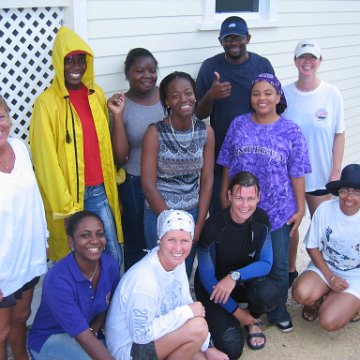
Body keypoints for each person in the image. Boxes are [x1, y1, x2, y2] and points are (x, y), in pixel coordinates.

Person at [218, 73, 311, 332]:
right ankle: (246, 308)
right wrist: (224, 196)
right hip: (241, 209)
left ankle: (278, 310)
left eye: (268, 93)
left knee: (278, 266)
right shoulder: (239, 124)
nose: (262, 98)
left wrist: (300, 208)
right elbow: (226, 162)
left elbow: (298, 171)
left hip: (277, 211)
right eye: (256, 93)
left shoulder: (291, 130)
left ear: (279, 97)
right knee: (243, 262)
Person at [29, 26, 123, 265]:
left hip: (99, 189)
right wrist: (64, 207)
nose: (76, 67)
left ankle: (110, 302)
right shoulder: (46, 104)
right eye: (69, 60)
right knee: (76, 261)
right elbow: (45, 160)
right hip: (69, 197)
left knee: (111, 254)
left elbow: (102, 146)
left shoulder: (96, 94)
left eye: (81, 60)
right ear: (59, 62)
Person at [106, 209, 229, 360]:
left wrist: (207, 347)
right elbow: (141, 336)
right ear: (160, 239)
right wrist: (185, 312)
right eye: (171, 240)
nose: (178, 248)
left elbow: (184, 300)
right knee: (198, 328)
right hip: (130, 350)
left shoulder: (177, 261)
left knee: (201, 356)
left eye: (185, 241)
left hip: (153, 338)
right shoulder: (144, 280)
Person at [195, 16, 275, 215]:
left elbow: (276, 105)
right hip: (222, 154)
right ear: (220, 41)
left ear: (248, 38)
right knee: (221, 209)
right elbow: (198, 113)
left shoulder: (262, 65)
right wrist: (211, 96)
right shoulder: (210, 67)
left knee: (254, 208)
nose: (233, 42)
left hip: (257, 153)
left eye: (238, 37)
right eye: (228, 38)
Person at [195, 171, 279, 358]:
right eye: (239, 198)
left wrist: (234, 276)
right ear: (229, 196)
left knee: (269, 295)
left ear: (259, 197)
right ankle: (244, 319)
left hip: (239, 282)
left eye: (251, 198)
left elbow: (266, 263)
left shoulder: (261, 219)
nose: (245, 205)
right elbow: (208, 279)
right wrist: (238, 313)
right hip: (214, 289)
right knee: (232, 347)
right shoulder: (213, 227)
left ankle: (252, 318)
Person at [283, 39, 345, 286]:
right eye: (302, 57)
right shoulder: (284, 94)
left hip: (320, 175)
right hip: (290, 176)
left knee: (325, 230)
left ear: (320, 61)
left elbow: (339, 134)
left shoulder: (332, 93)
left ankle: (325, 273)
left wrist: (336, 172)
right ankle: (289, 271)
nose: (307, 61)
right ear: (295, 61)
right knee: (290, 229)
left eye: (312, 57)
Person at [141, 71, 215, 277]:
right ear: (167, 101)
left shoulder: (206, 132)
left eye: (188, 93)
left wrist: (199, 223)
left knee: (183, 271)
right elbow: (148, 184)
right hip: (159, 214)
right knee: (159, 272)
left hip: (191, 214)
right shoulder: (155, 133)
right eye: (175, 96)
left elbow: (207, 180)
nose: (184, 99)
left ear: (195, 94)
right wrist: (171, 222)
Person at [28, 211, 120, 360]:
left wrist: (94, 329)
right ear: (71, 242)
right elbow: (85, 338)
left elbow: (108, 302)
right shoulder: (58, 280)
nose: (95, 240)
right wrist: (92, 336)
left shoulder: (109, 265)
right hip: (52, 336)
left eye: (99, 234)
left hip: (87, 331)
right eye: (85, 235)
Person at [0, 95, 47, 360]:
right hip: (2, 269)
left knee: (21, 317)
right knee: (1, 330)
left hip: (26, 254)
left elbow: (33, 198)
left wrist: (44, 235)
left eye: (0, 117)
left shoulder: (19, 147)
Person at [109, 48, 163, 271]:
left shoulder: (168, 95)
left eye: (152, 70)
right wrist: (118, 117)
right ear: (127, 73)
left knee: (164, 237)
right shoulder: (121, 104)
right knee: (138, 242)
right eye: (139, 71)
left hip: (168, 182)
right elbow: (120, 158)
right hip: (135, 184)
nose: (147, 75)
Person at [292, 164, 360, 330]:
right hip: (325, 267)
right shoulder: (325, 210)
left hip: (354, 276)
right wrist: (330, 277)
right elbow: (312, 246)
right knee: (300, 293)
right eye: (345, 190)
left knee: (328, 321)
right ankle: (316, 301)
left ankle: (352, 304)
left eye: (357, 192)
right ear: (338, 191)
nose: (349, 197)